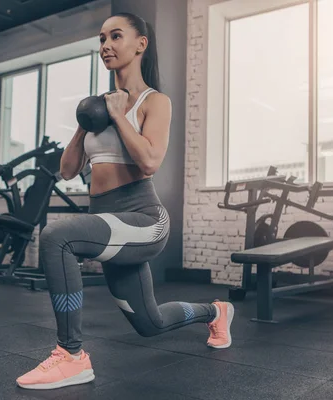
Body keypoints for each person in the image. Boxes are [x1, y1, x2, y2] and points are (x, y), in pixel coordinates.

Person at [16, 12, 234, 390]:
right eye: (101, 39)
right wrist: (87, 121)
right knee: (150, 324)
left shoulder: (155, 102)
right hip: (106, 220)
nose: (106, 46)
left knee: (56, 237)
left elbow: (149, 161)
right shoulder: (98, 109)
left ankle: (71, 355)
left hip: (143, 219)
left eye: (116, 37)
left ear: (140, 44)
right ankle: (217, 311)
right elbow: (68, 170)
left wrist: (119, 116)